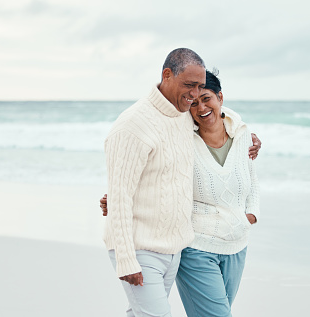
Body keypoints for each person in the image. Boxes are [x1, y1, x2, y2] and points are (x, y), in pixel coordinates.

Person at [101, 69, 261, 317]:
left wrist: (251, 215)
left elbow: (252, 181)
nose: (201, 107)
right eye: (193, 102)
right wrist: (117, 197)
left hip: (236, 245)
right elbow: (154, 172)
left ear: (220, 97)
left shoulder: (242, 135)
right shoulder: (181, 137)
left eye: (206, 98)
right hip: (196, 245)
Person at [103, 48, 206, 317]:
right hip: (140, 249)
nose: (195, 95)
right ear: (167, 75)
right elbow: (119, 196)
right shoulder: (132, 125)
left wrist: (246, 136)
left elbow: (219, 117)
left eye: (200, 87)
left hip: (174, 250)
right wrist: (126, 260)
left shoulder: (184, 115)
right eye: (189, 85)